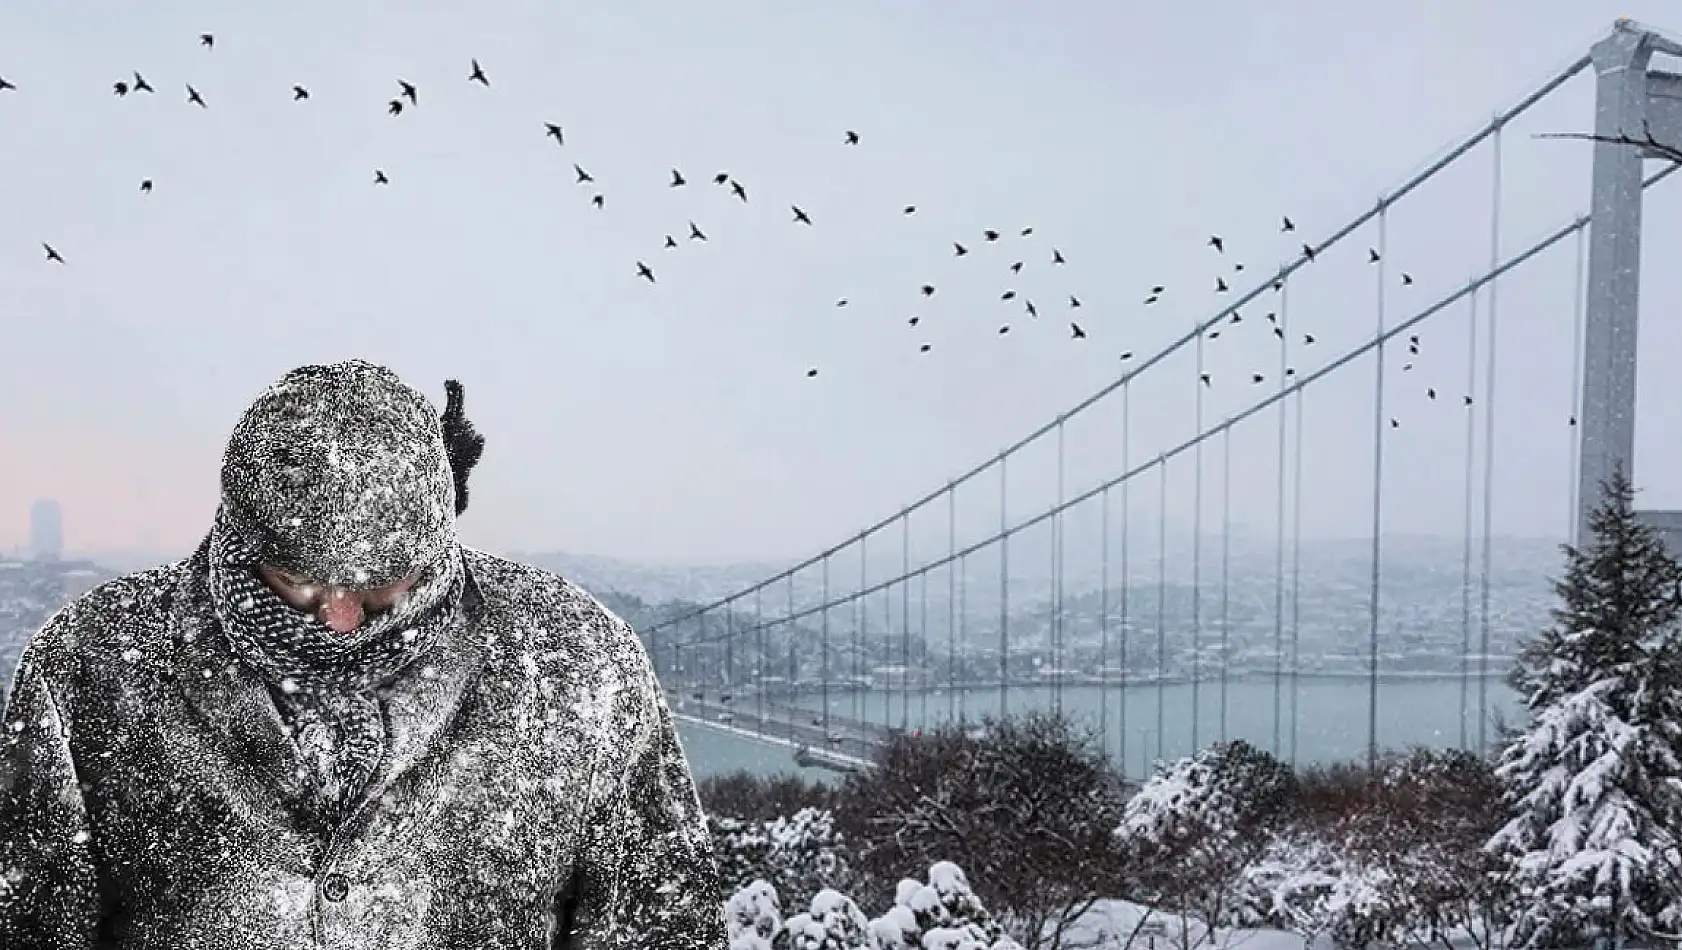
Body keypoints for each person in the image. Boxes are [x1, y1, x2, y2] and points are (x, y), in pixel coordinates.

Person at [0, 360, 724, 948]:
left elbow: (662, 927)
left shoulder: (580, 666)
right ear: (240, 537)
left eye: (382, 584)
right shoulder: (88, 669)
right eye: (297, 580)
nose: (341, 620)